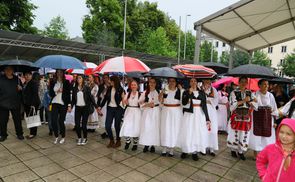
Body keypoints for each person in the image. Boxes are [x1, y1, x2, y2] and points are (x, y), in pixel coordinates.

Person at [177, 78, 210, 161]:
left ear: (197, 82)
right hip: (189, 114)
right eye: (191, 81)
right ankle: (185, 150)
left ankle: (195, 152)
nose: (193, 82)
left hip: (199, 115)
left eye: (195, 81)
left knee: (196, 132)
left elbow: (205, 106)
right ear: (189, 83)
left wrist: (207, 118)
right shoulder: (185, 92)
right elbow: (183, 103)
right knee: (188, 131)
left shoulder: (202, 93)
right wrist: (189, 93)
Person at [227, 77, 258, 160]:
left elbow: (256, 105)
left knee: (244, 133)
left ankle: (241, 151)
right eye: (242, 82)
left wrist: (251, 101)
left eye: (245, 82)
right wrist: (244, 100)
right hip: (236, 115)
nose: (243, 83)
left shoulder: (250, 93)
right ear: (239, 82)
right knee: (235, 132)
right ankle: (233, 149)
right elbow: (232, 105)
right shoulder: (234, 92)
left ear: (247, 83)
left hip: (246, 116)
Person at [249, 79, 278, 160]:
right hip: (257, 117)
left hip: (267, 118)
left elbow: (274, 108)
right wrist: (252, 102)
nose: (266, 86)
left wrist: (275, 121)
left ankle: (266, 154)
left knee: (267, 137)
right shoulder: (254, 94)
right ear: (260, 85)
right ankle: (255, 154)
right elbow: (252, 106)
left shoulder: (270, 95)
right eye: (264, 84)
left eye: (267, 84)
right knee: (256, 136)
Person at [71, 75, 99, 145]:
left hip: (85, 108)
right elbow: (73, 100)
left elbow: (91, 98)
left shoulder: (87, 88)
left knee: (84, 125)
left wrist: (96, 107)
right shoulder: (74, 88)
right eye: (77, 78)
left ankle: (85, 138)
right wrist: (70, 106)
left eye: (80, 78)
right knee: (77, 125)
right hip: (77, 108)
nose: (78, 79)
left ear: (83, 79)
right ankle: (79, 138)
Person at [99, 76, 124, 148]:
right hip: (110, 108)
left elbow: (123, 100)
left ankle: (118, 140)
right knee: (107, 126)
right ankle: (111, 140)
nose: (109, 82)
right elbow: (105, 99)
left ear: (115, 81)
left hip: (118, 109)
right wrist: (100, 106)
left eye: (111, 80)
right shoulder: (109, 88)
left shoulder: (120, 89)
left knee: (117, 126)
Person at [159, 78, 182, 157]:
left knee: (173, 130)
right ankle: (164, 148)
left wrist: (181, 89)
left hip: (176, 112)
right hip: (166, 111)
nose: (171, 83)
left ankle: (172, 149)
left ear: (176, 82)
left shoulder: (179, 91)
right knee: (165, 129)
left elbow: (184, 101)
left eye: (173, 81)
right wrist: (162, 92)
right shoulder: (165, 90)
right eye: (170, 81)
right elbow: (160, 100)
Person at [0, 66, 24, 142]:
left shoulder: (17, 79)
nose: (8, 71)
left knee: (17, 120)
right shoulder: (1, 79)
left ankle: (19, 134)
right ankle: (3, 135)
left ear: (13, 70)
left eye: (10, 69)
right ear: (4, 70)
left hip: (15, 102)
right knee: (3, 121)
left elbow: (22, 91)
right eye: (7, 69)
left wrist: (20, 89)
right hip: (3, 103)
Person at [49, 69, 71, 144]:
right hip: (54, 103)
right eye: (57, 72)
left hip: (63, 104)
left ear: (63, 73)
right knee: (53, 121)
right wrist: (57, 92)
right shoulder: (52, 82)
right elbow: (50, 94)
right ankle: (56, 136)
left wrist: (69, 105)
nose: (59, 73)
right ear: (56, 73)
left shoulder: (66, 82)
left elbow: (68, 95)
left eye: (60, 72)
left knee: (61, 121)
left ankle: (63, 137)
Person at [139, 78, 161, 153]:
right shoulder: (145, 92)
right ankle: (146, 144)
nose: (152, 84)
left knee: (154, 128)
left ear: (156, 83)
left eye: (153, 82)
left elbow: (162, 103)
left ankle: (152, 145)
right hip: (147, 113)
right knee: (147, 128)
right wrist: (147, 104)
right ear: (148, 83)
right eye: (150, 82)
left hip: (156, 112)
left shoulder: (159, 92)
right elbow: (140, 105)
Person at [120, 80, 141, 151]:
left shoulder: (140, 94)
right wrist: (123, 98)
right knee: (126, 126)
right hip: (129, 111)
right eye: (132, 85)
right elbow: (124, 104)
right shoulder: (128, 93)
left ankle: (135, 144)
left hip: (137, 112)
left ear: (137, 86)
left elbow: (142, 104)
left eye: (134, 84)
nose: (133, 86)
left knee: (135, 128)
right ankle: (128, 141)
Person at [202, 78, 219, 156]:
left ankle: (212, 148)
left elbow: (216, 100)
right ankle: (203, 147)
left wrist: (209, 101)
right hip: (202, 110)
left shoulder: (214, 90)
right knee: (203, 128)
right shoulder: (200, 89)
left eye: (209, 81)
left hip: (212, 111)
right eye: (206, 81)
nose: (207, 82)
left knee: (212, 129)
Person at [22, 71, 41, 139]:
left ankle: (33, 133)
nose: (27, 76)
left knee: (32, 118)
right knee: (29, 118)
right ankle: (32, 132)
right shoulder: (25, 83)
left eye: (28, 75)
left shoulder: (33, 83)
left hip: (33, 103)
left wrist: (33, 104)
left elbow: (35, 94)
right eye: (25, 75)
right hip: (27, 103)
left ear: (31, 75)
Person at [97, 74, 110, 139]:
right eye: (104, 78)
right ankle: (104, 132)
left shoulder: (110, 86)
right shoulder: (101, 86)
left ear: (108, 78)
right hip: (102, 103)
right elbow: (98, 95)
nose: (105, 79)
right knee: (102, 118)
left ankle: (108, 132)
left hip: (109, 103)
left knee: (107, 118)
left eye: (106, 78)